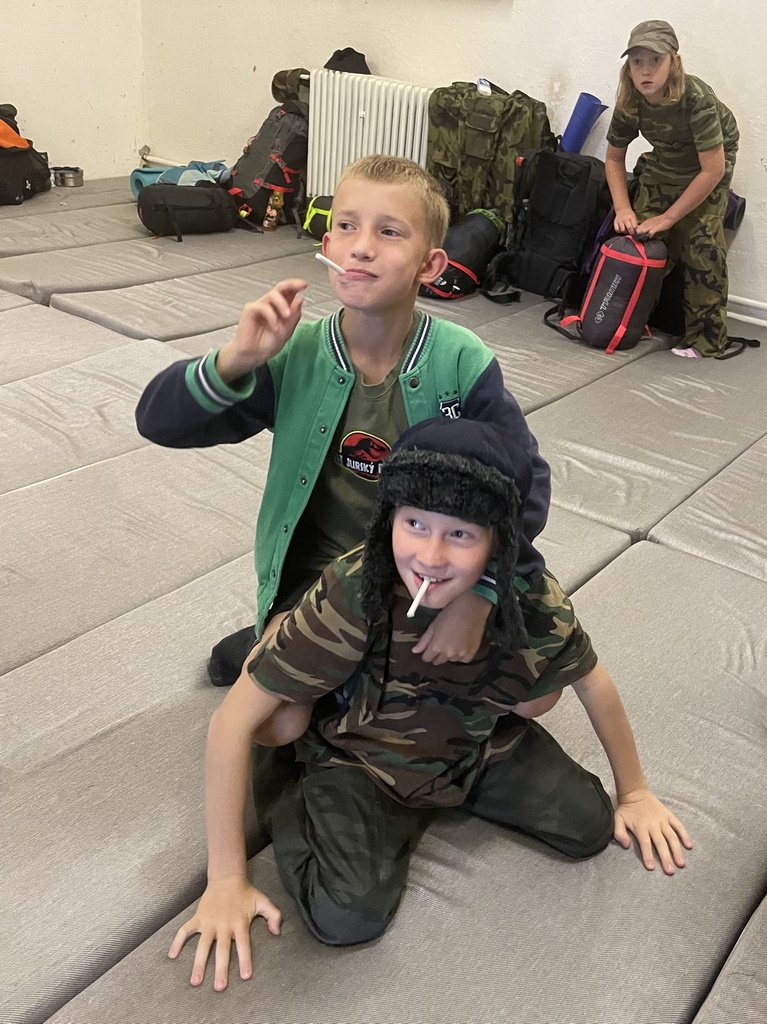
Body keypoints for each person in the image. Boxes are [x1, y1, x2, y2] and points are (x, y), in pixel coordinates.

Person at [167, 417, 693, 991]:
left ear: (499, 543)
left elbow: (593, 681)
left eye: (461, 535)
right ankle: (279, 700)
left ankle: (294, 663)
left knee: (589, 825)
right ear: (389, 518)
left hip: (470, 745)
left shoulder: (530, 599)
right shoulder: (355, 590)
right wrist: (226, 880)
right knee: (345, 914)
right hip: (362, 757)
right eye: (414, 524)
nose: (431, 555)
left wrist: (634, 792)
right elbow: (230, 724)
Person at [136, 155, 550, 682]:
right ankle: (287, 641)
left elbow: (527, 484)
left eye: (389, 232)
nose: (362, 246)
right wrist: (235, 360)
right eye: (347, 227)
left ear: (429, 265)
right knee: (284, 708)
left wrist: (480, 595)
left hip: (433, 571)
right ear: (328, 246)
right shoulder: (297, 354)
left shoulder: (460, 361)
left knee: (535, 690)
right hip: (322, 579)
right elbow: (157, 422)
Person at [604, 20, 739, 358]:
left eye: (656, 60)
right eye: (637, 61)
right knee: (640, 239)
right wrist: (623, 208)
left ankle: (706, 342)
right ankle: (628, 322)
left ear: (674, 62)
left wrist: (668, 217)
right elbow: (614, 158)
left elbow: (713, 170)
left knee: (701, 247)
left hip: (710, 163)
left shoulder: (696, 99)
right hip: (665, 160)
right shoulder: (631, 99)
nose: (645, 70)